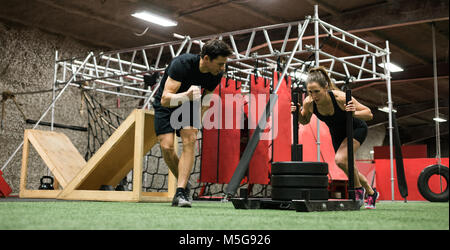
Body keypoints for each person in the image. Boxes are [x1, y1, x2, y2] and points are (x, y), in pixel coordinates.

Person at [152, 39, 232, 207]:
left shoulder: (216, 74)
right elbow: (166, 99)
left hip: (189, 105)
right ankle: (184, 182)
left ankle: (180, 191)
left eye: (224, 64)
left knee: (190, 140)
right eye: (220, 64)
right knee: (167, 147)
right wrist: (185, 96)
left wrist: (198, 121)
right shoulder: (181, 64)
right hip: (167, 103)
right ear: (207, 59)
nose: (223, 68)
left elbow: (206, 100)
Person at [291, 66, 379, 209]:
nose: (314, 96)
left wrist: (353, 113)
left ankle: (357, 192)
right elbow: (304, 121)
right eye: (310, 92)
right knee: (346, 165)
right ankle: (371, 192)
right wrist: (297, 114)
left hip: (355, 128)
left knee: (340, 160)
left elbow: (369, 114)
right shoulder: (309, 103)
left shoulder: (340, 97)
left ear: (325, 87)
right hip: (337, 134)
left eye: (317, 91)